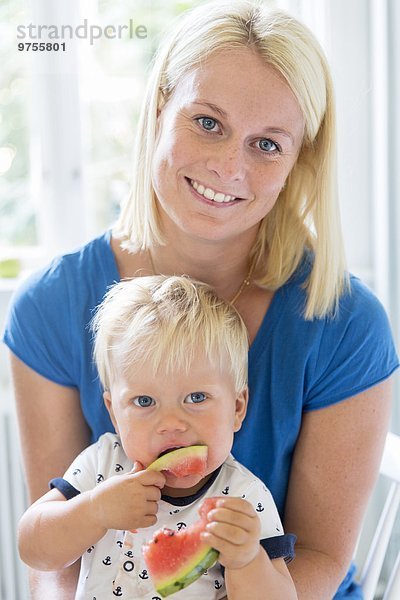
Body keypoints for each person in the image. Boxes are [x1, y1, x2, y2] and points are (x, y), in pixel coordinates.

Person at [3, 1, 399, 598]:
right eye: (208, 122)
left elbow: (316, 558)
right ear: (160, 108)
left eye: (267, 144)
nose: (227, 166)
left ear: (299, 162)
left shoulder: (347, 324)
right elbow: (55, 564)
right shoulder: (48, 309)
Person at [17, 275, 297, 600]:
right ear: (113, 413)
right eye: (145, 402)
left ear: (237, 408)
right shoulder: (103, 462)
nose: (171, 424)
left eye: (196, 398)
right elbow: (33, 549)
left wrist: (247, 560)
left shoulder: (244, 498)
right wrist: (94, 510)